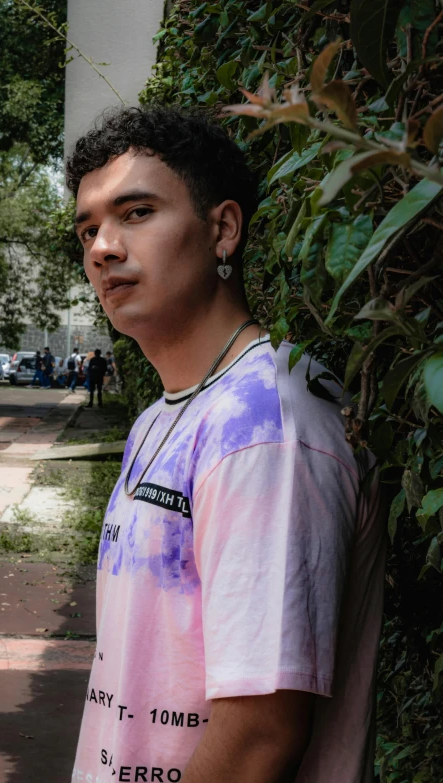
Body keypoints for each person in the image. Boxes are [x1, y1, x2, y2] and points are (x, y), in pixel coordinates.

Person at [67, 107, 385, 783]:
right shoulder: (160, 419)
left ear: (222, 229)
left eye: (137, 212)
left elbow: (258, 733)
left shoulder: (266, 422)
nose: (102, 247)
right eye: (89, 227)